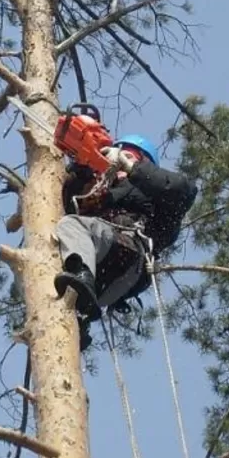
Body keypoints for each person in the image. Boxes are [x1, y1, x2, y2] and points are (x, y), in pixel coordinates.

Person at [53, 134, 198, 350]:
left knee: (71, 226)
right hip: (111, 284)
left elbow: (183, 192)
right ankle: (77, 320)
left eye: (127, 156)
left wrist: (131, 167)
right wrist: (82, 170)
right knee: (61, 257)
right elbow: (72, 200)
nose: (116, 165)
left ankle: (82, 279)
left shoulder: (155, 197)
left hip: (126, 252)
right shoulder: (103, 194)